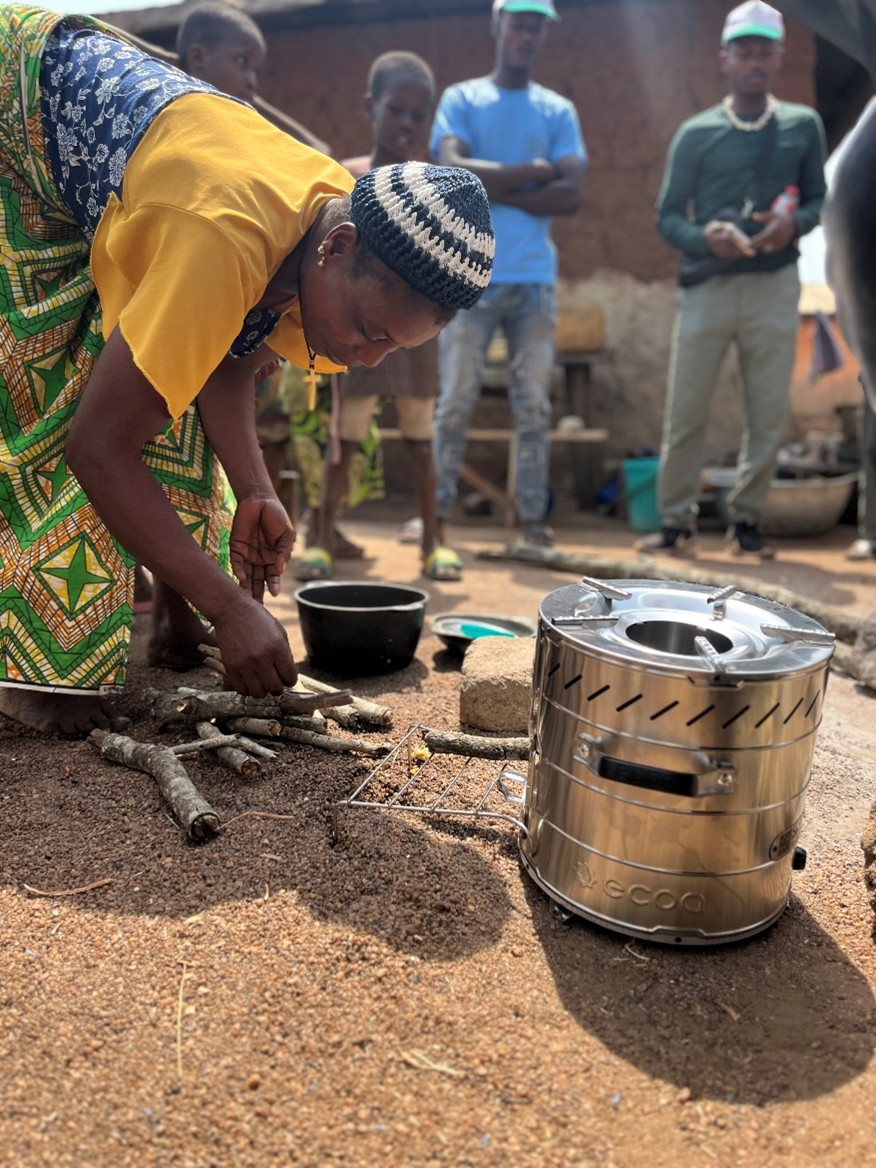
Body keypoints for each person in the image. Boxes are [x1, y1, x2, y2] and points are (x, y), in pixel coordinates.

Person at [0, 5, 493, 736]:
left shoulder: (328, 216)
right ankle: (26, 672)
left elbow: (223, 353)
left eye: (391, 348)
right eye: (365, 331)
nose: (364, 359)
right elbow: (99, 447)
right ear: (338, 248)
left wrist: (255, 488)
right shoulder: (223, 236)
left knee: (161, 367)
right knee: (62, 387)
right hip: (22, 103)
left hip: (151, 178)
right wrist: (231, 606)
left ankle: (173, 614)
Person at [637, 1, 827, 559]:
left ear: (778, 57)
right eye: (743, 50)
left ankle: (746, 522)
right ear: (725, 59)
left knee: (767, 411)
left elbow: (817, 199)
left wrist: (794, 223)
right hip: (707, 289)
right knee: (685, 409)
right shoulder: (696, 134)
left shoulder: (802, 126)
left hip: (774, 284)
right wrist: (707, 238)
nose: (753, 60)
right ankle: (675, 523)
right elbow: (667, 216)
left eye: (764, 49)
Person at [298, 51, 461, 581]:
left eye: (420, 114)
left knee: (420, 435)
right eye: (397, 110)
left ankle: (434, 542)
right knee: (344, 436)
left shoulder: (437, 187)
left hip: (413, 338)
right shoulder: (350, 177)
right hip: (360, 328)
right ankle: (320, 536)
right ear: (372, 107)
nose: (408, 124)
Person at [428, 0, 586, 550]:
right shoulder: (462, 99)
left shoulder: (557, 109)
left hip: (533, 280)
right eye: (519, 22)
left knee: (533, 405)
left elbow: (570, 195)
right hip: (469, 274)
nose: (527, 34)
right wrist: (530, 178)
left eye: (536, 25)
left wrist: (491, 183)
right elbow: (452, 170)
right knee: (455, 399)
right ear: (498, 25)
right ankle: (435, 514)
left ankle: (532, 524)